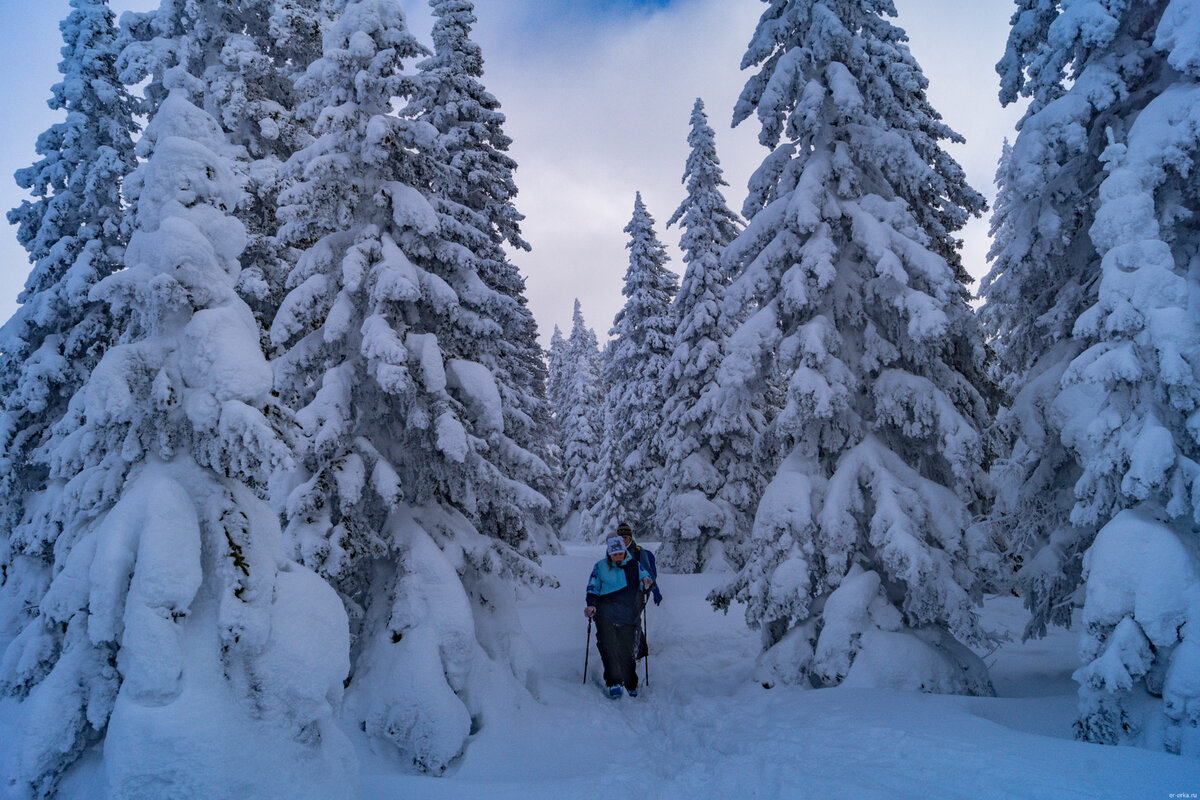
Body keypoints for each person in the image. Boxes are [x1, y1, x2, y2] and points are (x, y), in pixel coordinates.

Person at [585, 536, 652, 699]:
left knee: (626, 649)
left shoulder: (634, 565)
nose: (618, 557)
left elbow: (646, 578)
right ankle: (614, 681)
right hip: (604, 612)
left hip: (628, 614)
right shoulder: (600, 567)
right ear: (609, 553)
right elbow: (593, 588)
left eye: (621, 554)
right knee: (608, 645)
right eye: (615, 554)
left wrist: (646, 581)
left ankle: (630, 683)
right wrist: (592, 604)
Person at [617, 522, 660, 661]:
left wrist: (656, 592)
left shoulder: (639, 552)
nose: (623, 540)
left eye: (625, 537)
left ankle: (633, 651)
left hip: (640, 591)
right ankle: (641, 649)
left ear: (630, 538)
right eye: (620, 538)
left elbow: (649, 575)